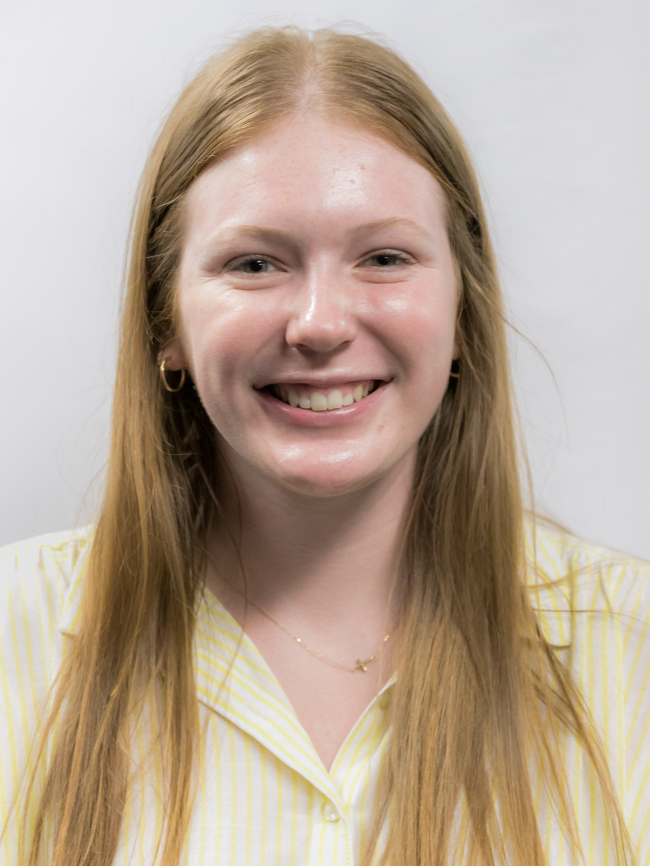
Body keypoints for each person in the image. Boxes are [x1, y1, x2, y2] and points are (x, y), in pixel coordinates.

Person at [0, 25, 648, 866]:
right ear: (167, 322)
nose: (319, 325)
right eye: (255, 264)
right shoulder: (15, 636)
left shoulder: (630, 648)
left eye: (383, 257)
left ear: (462, 313)